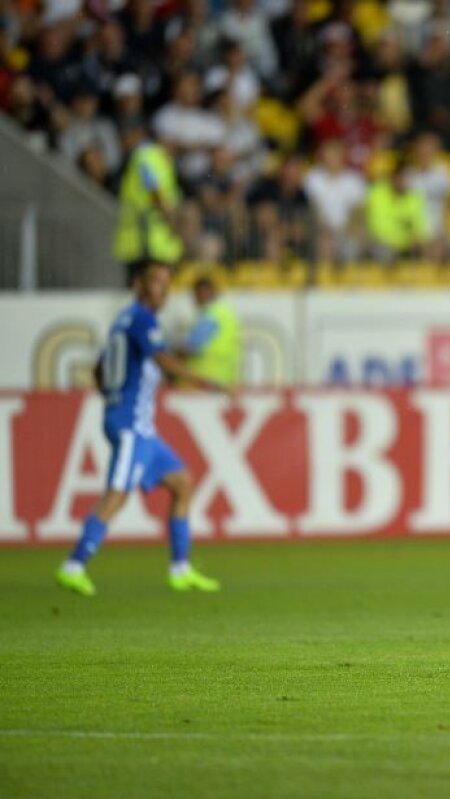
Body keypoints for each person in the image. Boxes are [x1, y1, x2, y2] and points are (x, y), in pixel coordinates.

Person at [56, 259, 228, 597]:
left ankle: (180, 569)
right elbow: (163, 360)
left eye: (166, 284)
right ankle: (73, 565)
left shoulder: (123, 321)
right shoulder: (141, 318)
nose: (162, 290)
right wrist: (203, 381)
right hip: (131, 426)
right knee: (117, 495)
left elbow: (98, 369)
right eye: (155, 282)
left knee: (182, 483)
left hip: (140, 427)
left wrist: (111, 396)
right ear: (138, 285)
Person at [112, 116, 184, 286]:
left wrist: (170, 218)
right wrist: (170, 219)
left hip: (149, 239)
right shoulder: (151, 156)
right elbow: (155, 187)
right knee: (152, 287)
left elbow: (155, 187)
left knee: (147, 287)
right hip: (149, 238)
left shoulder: (149, 155)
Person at [180, 275, 242, 389]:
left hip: (205, 380)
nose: (198, 297)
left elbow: (192, 348)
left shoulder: (210, 316)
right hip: (225, 379)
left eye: (199, 293)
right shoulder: (225, 313)